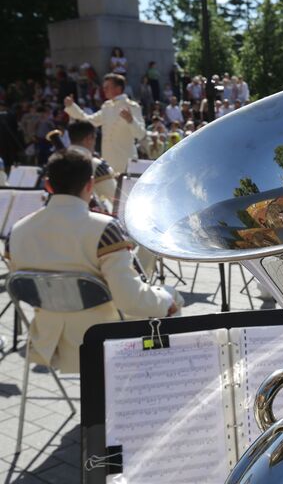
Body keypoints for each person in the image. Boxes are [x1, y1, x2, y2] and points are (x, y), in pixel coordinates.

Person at [6, 147, 181, 373]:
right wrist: (167, 300)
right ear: (90, 184)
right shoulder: (105, 229)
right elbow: (130, 301)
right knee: (170, 297)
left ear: (48, 185)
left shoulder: (16, 232)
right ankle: (156, 383)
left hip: (50, 344)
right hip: (105, 342)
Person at [64, 73, 145, 173]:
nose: (104, 90)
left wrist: (131, 120)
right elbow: (89, 120)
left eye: (107, 87)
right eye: (104, 87)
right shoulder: (106, 107)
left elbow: (141, 134)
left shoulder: (132, 106)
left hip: (126, 162)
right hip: (108, 163)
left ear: (118, 88)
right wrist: (72, 107)